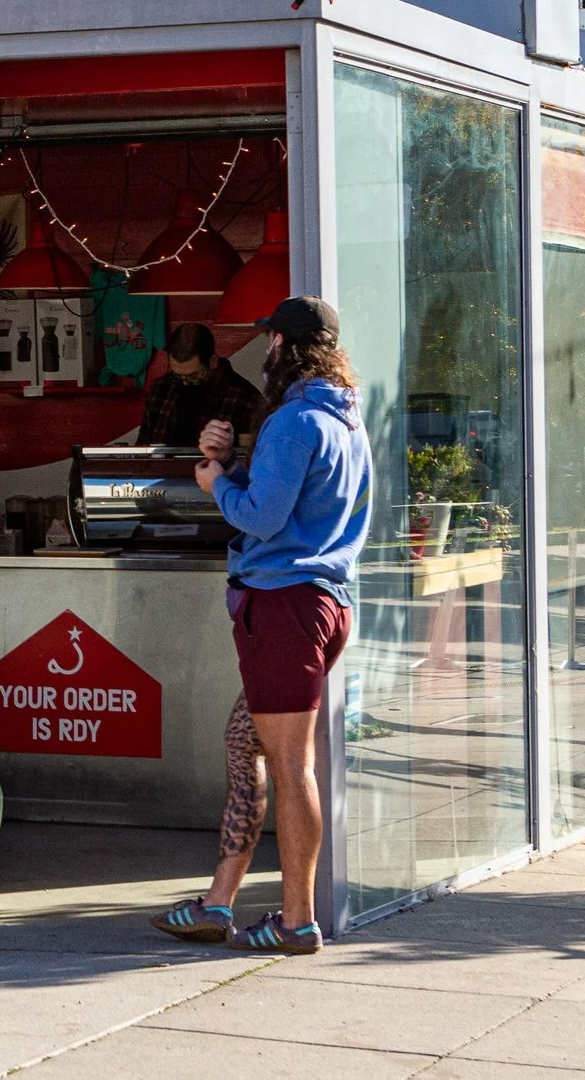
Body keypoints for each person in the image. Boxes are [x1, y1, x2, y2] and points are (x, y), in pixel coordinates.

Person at [148, 295, 370, 955]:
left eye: (270, 340)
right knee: (244, 738)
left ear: (287, 345)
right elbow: (294, 501)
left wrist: (215, 480)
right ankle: (219, 901)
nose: (264, 351)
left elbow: (262, 516)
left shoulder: (296, 420)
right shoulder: (344, 419)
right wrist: (233, 456)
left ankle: (297, 919)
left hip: (284, 607)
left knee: (291, 762)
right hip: (322, 603)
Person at [137, 322, 265, 450]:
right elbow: (143, 446)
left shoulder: (245, 397)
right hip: (162, 470)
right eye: (177, 375)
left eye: (193, 376)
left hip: (217, 469)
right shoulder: (160, 389)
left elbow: (253, 456)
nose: (185, 382)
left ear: (213, 362)